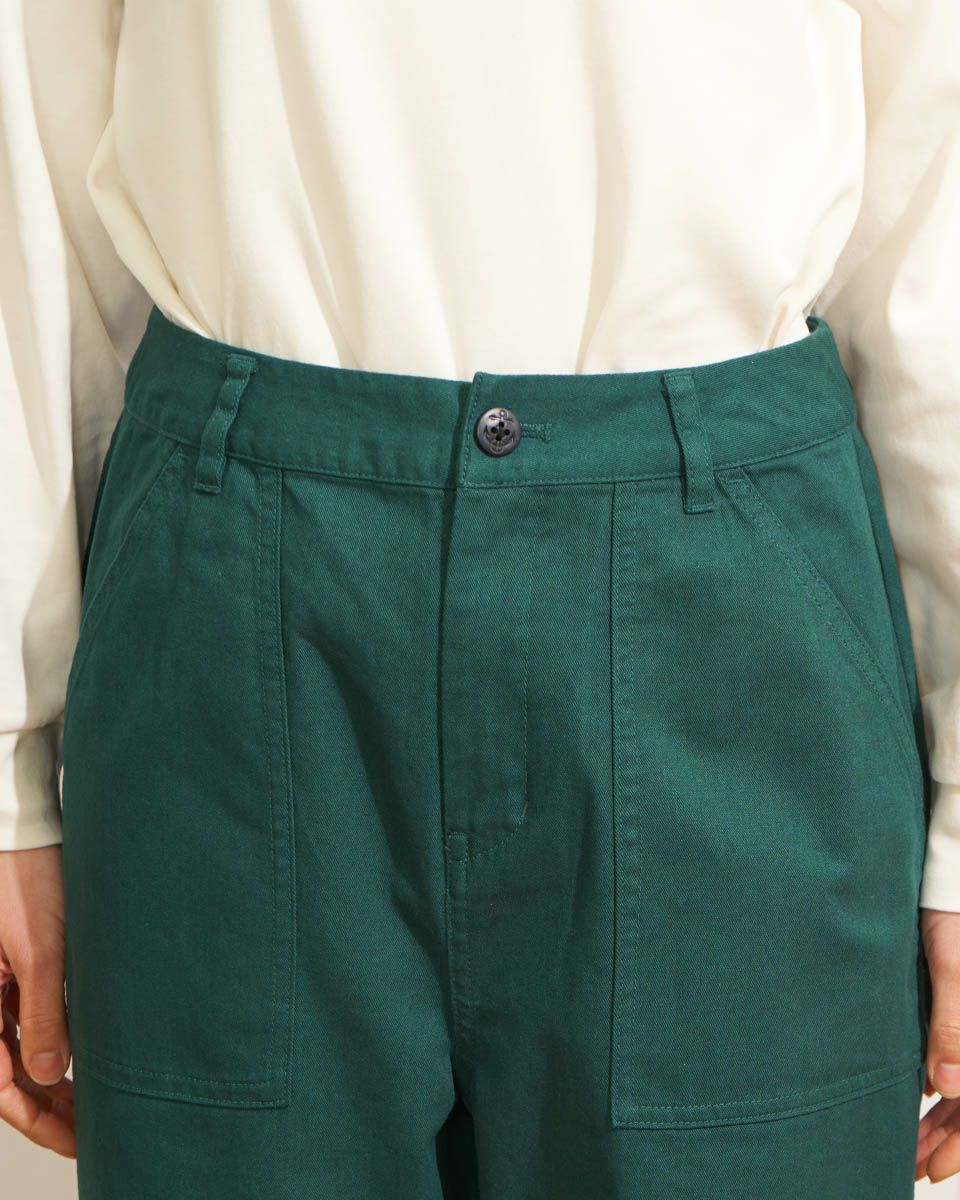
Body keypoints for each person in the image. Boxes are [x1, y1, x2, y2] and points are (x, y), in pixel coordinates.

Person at [0, 1, 958, 1196]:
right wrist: (7, 784)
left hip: (724, 615)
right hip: (241, 616)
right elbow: (35, 156)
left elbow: (932, 201)